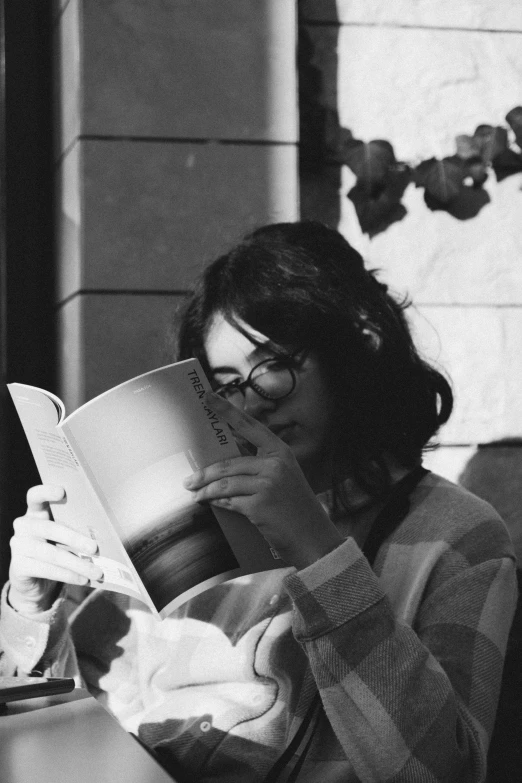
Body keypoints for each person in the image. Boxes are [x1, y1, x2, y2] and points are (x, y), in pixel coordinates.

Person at [0, 221, 517, 783]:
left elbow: (445, 772)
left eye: (272, 367)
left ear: (358, 347)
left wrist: (320, 552)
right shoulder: (201, 511)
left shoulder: (457, 534)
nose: (252, 403)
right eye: (224, 384)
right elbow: (71, 709)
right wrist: (30, 608)